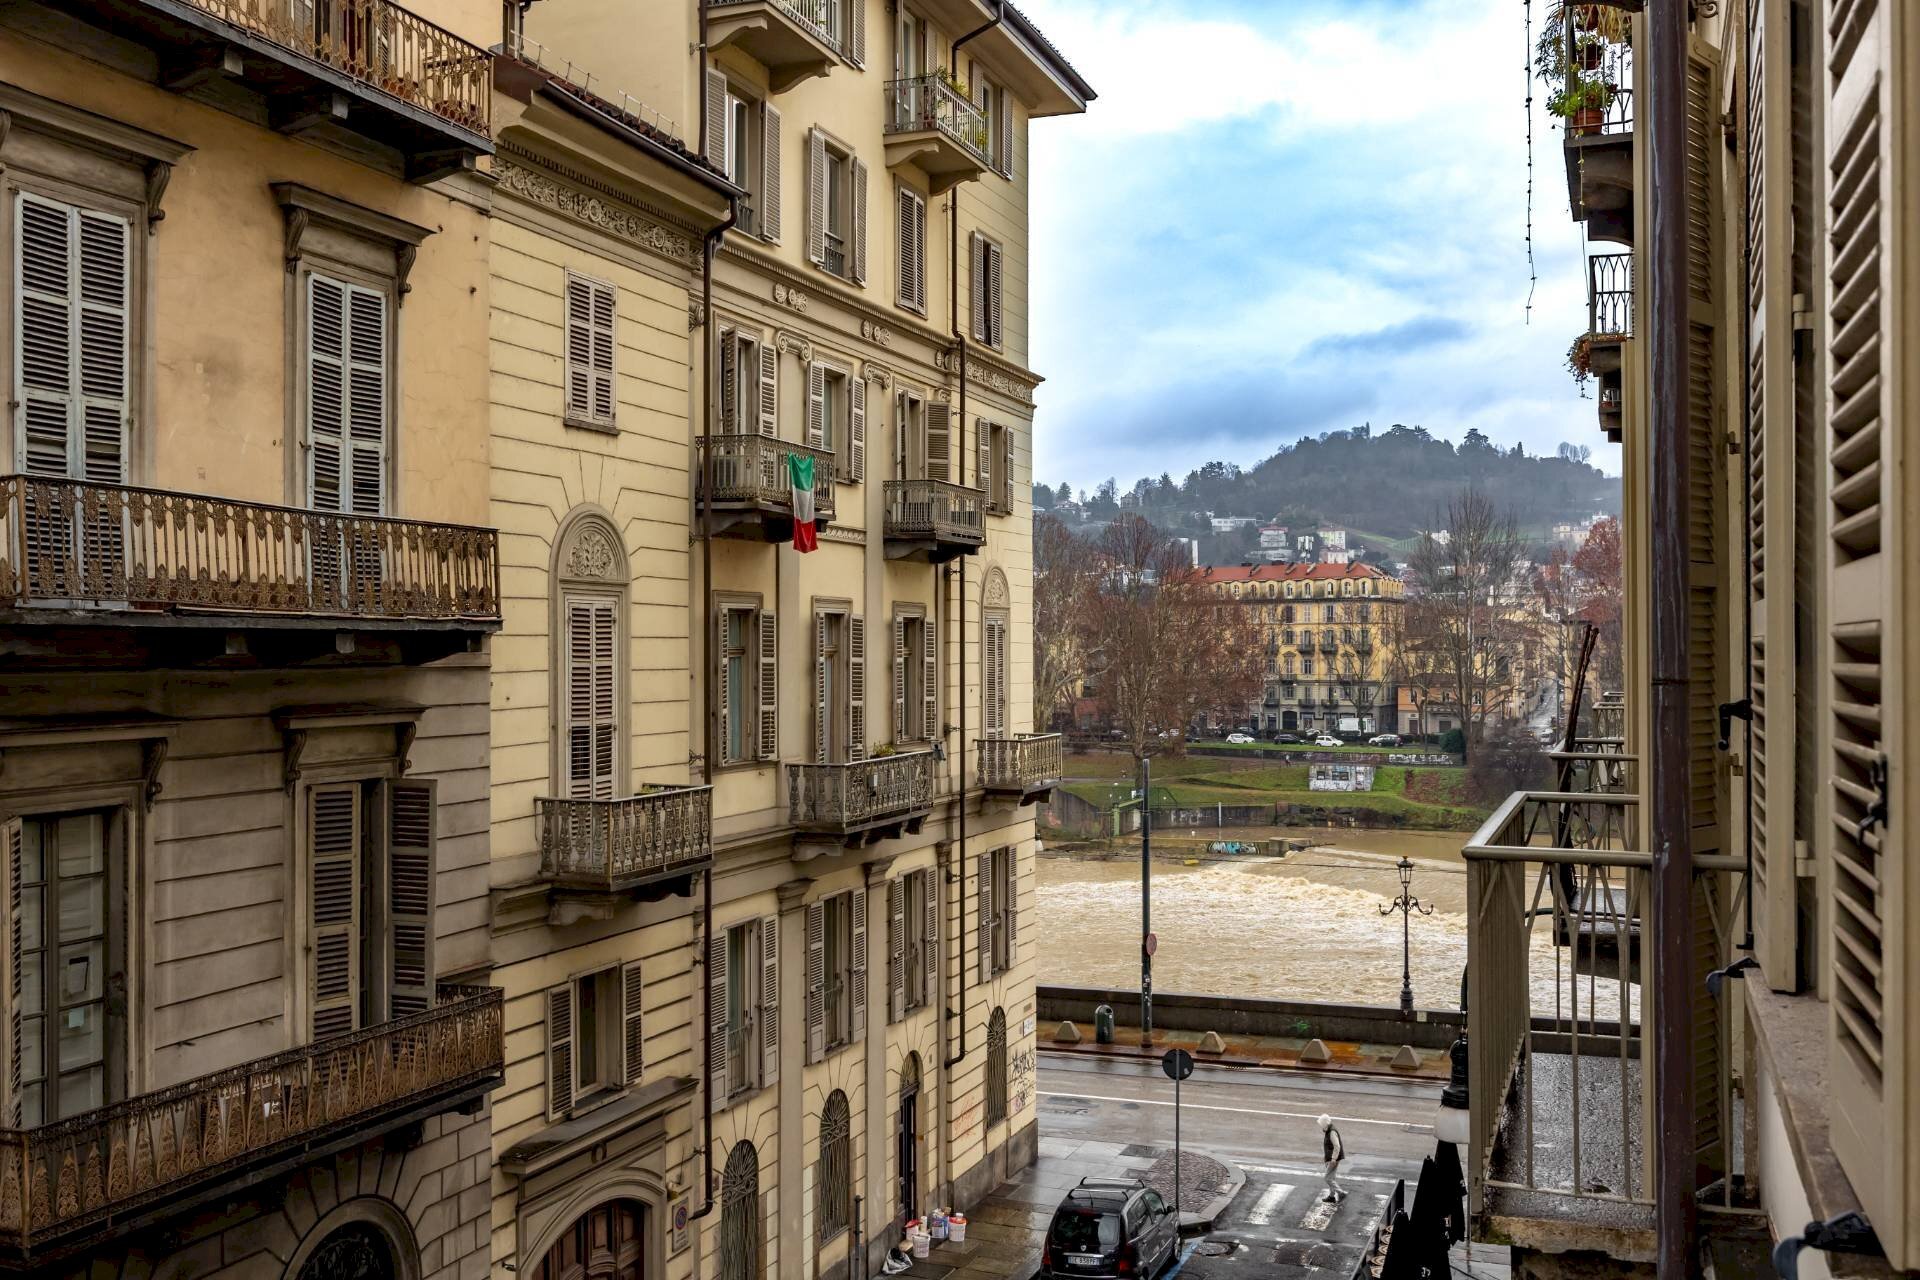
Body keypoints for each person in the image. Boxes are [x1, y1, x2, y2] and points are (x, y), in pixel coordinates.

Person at [1319, 1113, 1347, 1203]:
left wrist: (1333, 1159)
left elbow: (1337, 1146)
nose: (1321, 1125)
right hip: (1331, 1157)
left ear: (1325, 1123)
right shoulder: (1328, 1130)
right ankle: (1331, 1196)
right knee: (1331, 1178)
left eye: (1321, 1123)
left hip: (1333, 1158)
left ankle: (1340, 1192)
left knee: (1327, 1178)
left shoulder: (1332, 1132)